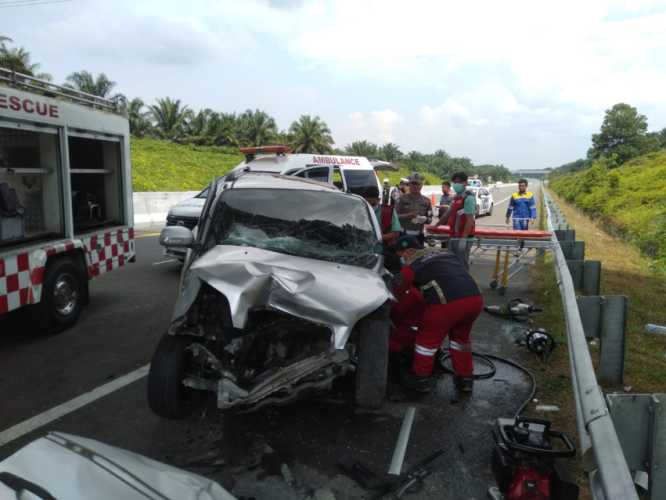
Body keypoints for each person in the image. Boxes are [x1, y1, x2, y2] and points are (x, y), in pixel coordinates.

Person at [389, 236, 483, 393]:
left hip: (447, 304)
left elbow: (397, 291)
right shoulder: (445, 253)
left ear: (408, 252)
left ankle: (420, 379)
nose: (402, 259)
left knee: (426, 342)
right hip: (474, 299)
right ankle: (465, 379)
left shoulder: (412, 266)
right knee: (460, 341)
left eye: (401, 255)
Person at [433, 171, 476, 268]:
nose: (456, 184)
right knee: (452, 264)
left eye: (459, 182)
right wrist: (435, 226)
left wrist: (463, 239)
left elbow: (469, 220)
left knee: (462, 265)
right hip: (454, 235)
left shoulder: (468, 197)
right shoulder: (456, 197)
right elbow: (447, 214)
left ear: (465, 183)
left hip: (463, 237)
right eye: (455, 182)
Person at [395, 172, 432, 240]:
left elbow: (430, 220)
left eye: (418, 184)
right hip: (404, 234)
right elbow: (395, 217)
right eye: (413, 183)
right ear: (409, 184)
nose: (416, 186)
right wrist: (407, 215)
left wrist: (425, 219)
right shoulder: (401, 199)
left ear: (421, 185)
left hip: (419, 236)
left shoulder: (426, 201)